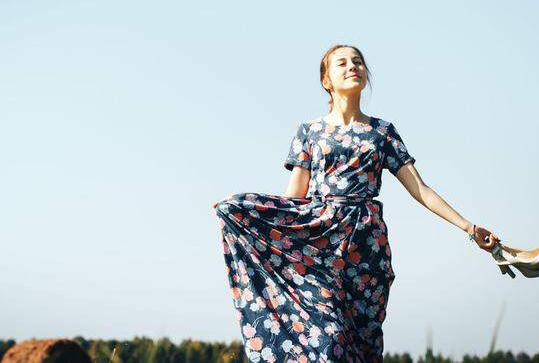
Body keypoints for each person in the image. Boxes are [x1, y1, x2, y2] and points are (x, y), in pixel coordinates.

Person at [212, 44, 500, 363]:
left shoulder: (382, 132)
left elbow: (420, 188)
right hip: (319, 242)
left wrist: (470, 228)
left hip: (366, 247)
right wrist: (248, 216)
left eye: (358, 62)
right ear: (327, 80)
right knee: (328, 339)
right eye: (342, 63)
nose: (353, 67)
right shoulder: (309, 131)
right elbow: (294, 198)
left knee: (362, 345)